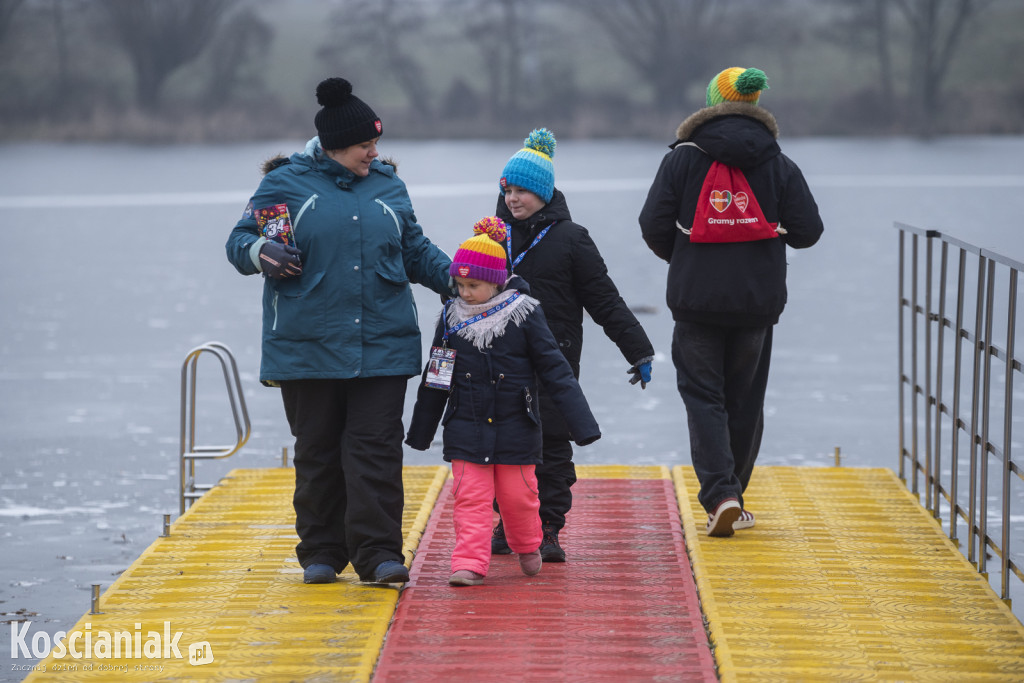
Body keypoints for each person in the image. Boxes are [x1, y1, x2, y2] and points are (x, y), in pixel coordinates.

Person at [225, 77, 453, 584]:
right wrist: (261, 252)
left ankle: (378, 555)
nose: (375, 151)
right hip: (307, 347)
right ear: (334, 147)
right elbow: (237, 241)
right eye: (365, 145)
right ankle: (323, 552)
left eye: (376, 142)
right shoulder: (284, 184)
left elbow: (414, 250)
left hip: (383, 345)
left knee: (375, 451)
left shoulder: (388, 185)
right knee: (318, 452)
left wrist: (459, 280)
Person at [638, 67, 824, 536]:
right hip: (756, 304)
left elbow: (651, 222)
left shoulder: (682, 159)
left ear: (710, 103)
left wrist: (683, 257)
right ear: (755, 103)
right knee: (745, 399)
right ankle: (733, 499)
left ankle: (720, 493)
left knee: (704, 397)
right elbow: (809, 232)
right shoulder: (777, 161)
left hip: (696, 301)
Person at [406, 217, 600, 586]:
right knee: (470, 500)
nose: (464, 292)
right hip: (466, 426)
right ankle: (469, 563)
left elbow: (555, 370)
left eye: (473, 285)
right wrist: (421, 431)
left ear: (496, 281)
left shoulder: (525, 313)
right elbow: (437, 375)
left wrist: (582, 425)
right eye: (459, 284)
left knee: (519, 499)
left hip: (517, 427)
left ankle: (528, 544)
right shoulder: (450, 319)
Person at [490, 128, 655, 562]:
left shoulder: (572, 239)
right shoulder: (491, 236)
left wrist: (638, 350)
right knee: (501, 446)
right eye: (508, 189)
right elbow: (464, 292)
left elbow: (604, 299)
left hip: (553, 361)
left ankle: (547, 530)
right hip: (499, 361)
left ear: (544, 193)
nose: (513, 198)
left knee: (552, 447)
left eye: (523, 190)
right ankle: (507, 524)